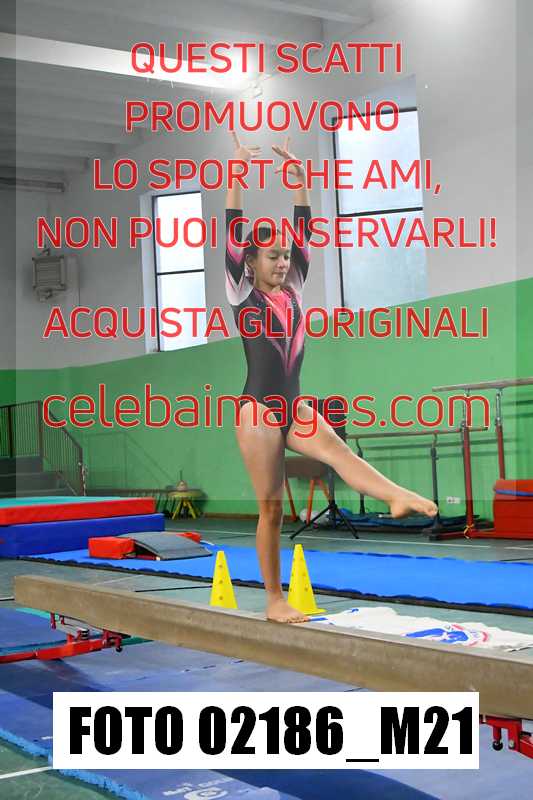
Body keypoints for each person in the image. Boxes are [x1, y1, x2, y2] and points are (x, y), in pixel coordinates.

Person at [225, 132, 438, 623]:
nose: (283, 262)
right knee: (272, 509)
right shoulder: (241, 293)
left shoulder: (294, 288)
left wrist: (300, 180)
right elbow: (232, 228)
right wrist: (236, 172)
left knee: (340, 451)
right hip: (257, 412)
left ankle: (394, 495)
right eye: (272, 257)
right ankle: (274, 600)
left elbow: (304, 231)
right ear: (250, 263)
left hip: (293, 405)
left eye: (285, 256)